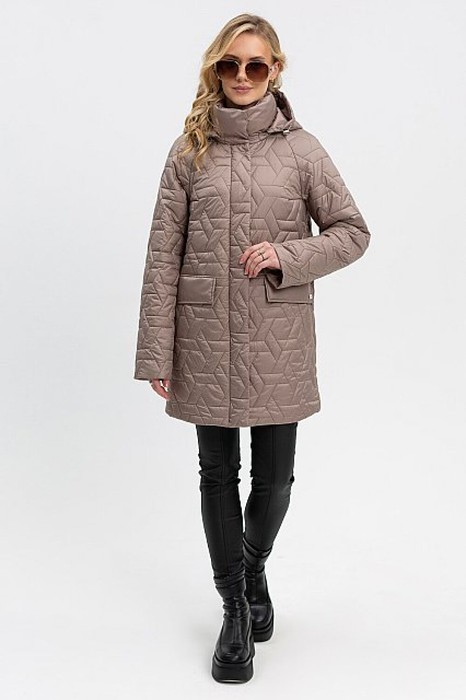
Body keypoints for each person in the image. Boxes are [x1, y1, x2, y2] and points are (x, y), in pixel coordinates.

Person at [134, 13, 371, 684]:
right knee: (216, 476)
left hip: (278, 337)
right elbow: (163, 255)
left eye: (256, 65)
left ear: (275, 70)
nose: (242, 76)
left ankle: (253, 564)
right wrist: (156, 352)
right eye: (230, 65)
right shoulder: (188, 151)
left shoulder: (303, 151)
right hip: (204, 334)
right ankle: (235, 609)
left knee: (274, 481)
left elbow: (352, 231)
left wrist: (288, 255)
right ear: (215, 70)